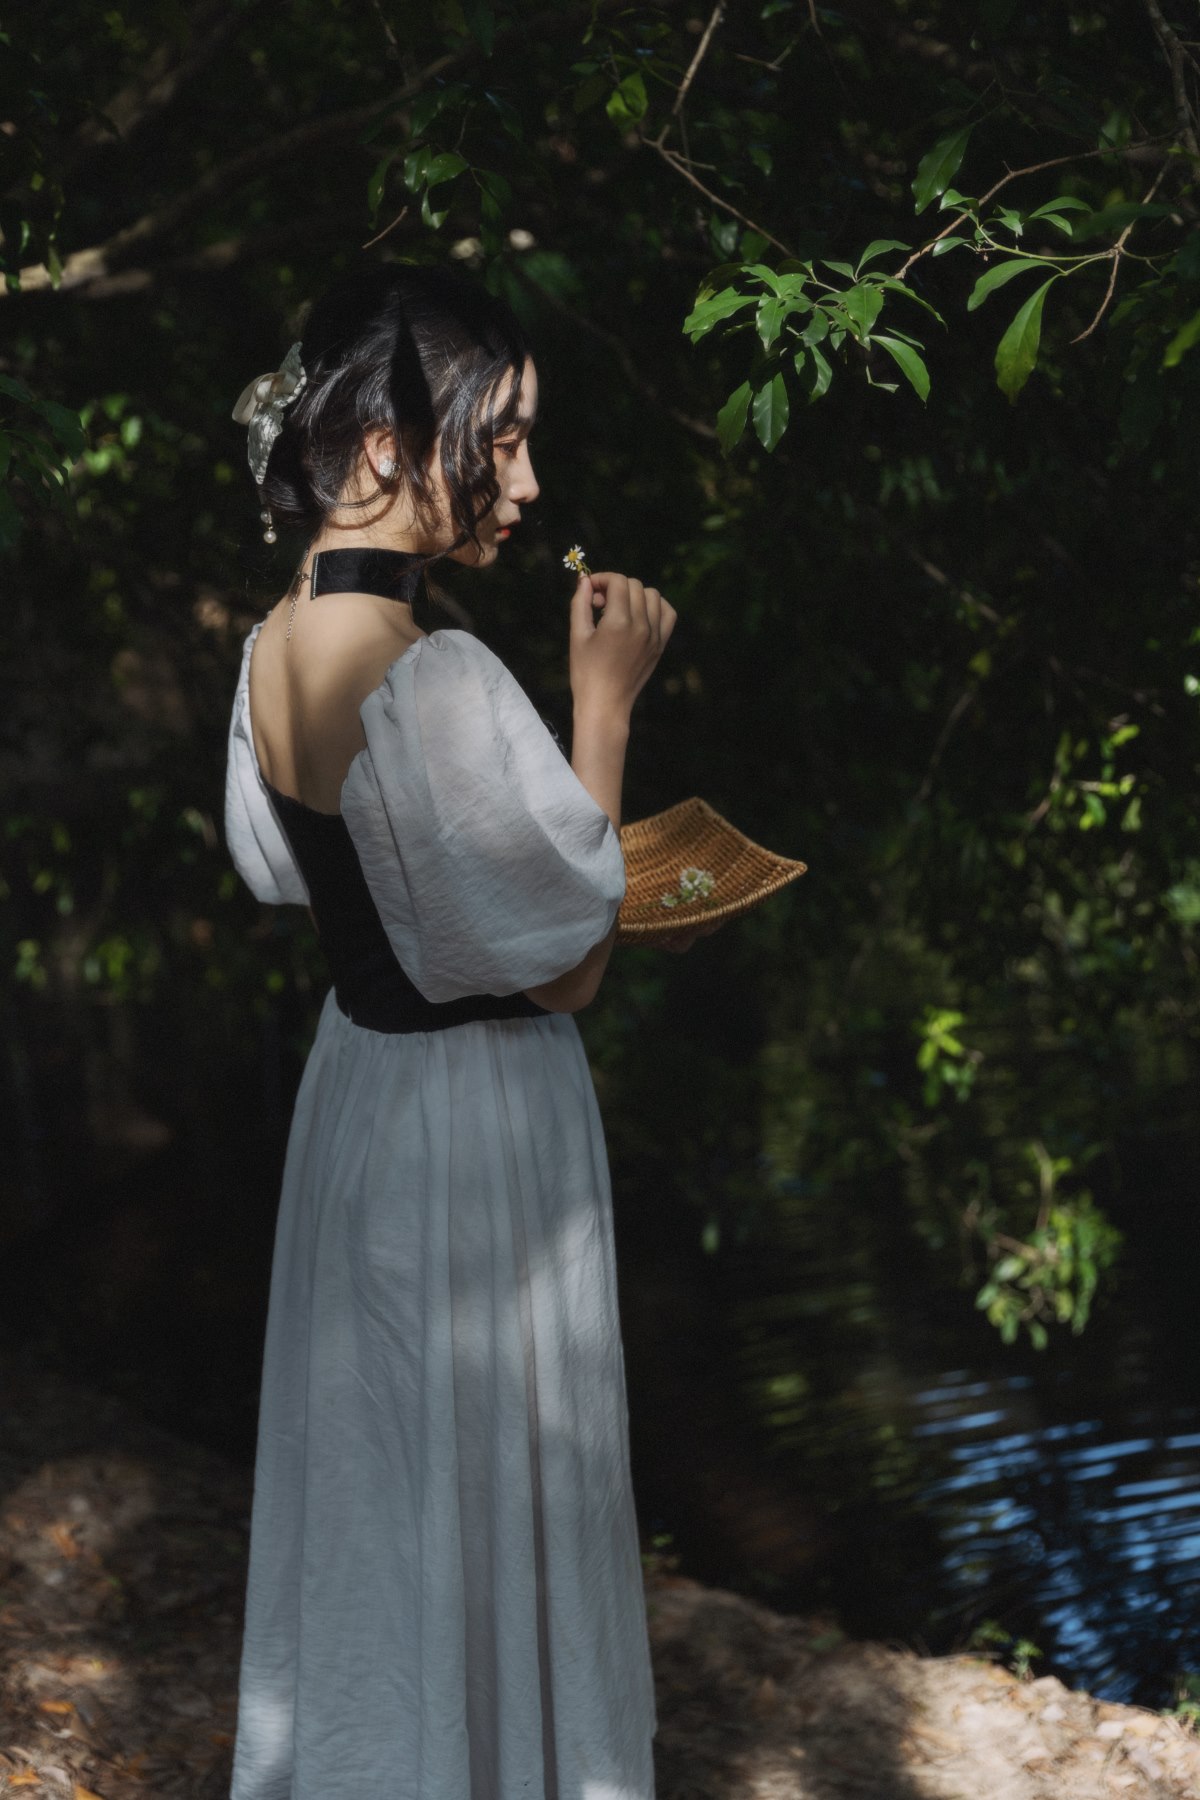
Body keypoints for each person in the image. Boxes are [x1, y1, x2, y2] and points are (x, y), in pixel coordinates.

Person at [223, 262, 714, 1800]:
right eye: (498, 440)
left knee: (390, 1483)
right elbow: (567, 966)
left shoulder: (277, 640)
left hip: (367, 1099)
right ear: (383, 444)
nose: (528, 480)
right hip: (475, 1128)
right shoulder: (429, 673)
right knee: (495, 1485)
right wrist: (605, 702)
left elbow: (292, 878)